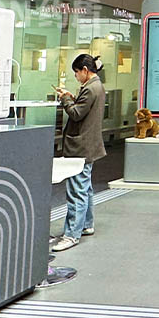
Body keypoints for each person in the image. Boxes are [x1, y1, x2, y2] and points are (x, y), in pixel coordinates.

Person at [51, 54, 106, 252]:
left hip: (80, 146)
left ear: (85, 70)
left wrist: (65, 99)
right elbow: (84, 109)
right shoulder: (96, 86)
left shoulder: (90, 88)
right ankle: (86, 224)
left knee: (77, 192)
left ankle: (71, 235)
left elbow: (75, 114)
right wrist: (73, 98)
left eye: (76, 72)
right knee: (85, 188)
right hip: (89, 145)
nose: (76, 76)